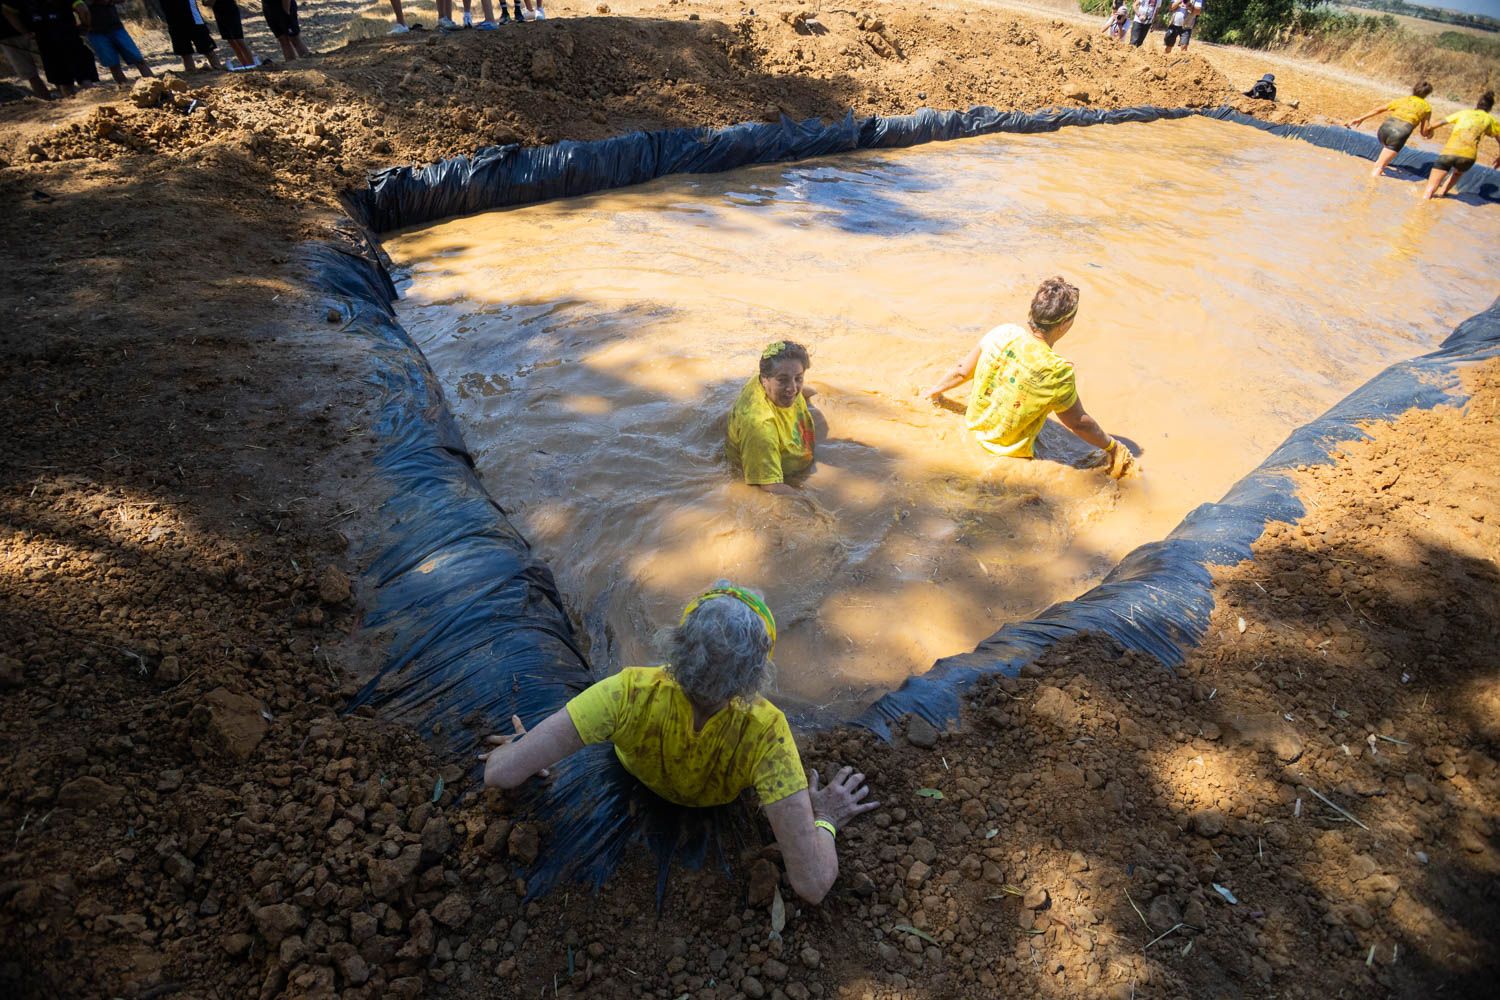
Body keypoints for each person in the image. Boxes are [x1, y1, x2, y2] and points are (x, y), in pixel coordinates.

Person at [480, 584, 879, 904]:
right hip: (715, 804)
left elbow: (500, 773)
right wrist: (823, 816)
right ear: (757, 674)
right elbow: (813, 884)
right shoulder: (768, 731)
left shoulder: (627, 691)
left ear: (678, 642)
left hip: (637, 778)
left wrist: (520, 746)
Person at [923, 276, 1134, 478]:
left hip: (971, 432)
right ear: (1064, 325)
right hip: (1007, 457)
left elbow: (962, 371)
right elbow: (1079, 424)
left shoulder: (1003, 332)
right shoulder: (1057, 371)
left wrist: (933, 392)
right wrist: (1112, 446)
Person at [725, 341, 816, 495]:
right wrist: (814, 505)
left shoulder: (766, 381)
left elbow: (798, 388)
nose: (793, 389)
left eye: (798, 378)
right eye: (783, 380)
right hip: (771, 465)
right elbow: (771, 487)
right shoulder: (761, 428)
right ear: (765, 379)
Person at [1345, 82, 1434, 179]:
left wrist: (1361, 118)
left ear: (1414, 89)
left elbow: (1378, 109)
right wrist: (1431, 131)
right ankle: (1370, 189)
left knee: (1381, 160)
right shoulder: (1426, 108)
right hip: (1399, 135)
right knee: (1380, 167)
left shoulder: (1403, 100)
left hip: (1383, 131)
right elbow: (1424, 132)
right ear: (1427, 94)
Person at [1422, 90, 1500, 201]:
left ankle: (1423, 206)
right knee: (1457, 173)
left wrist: (1428, 130)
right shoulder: (1491, 120)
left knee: (1429, 190)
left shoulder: (1464, 113)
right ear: (1490, 108)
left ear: (1477, 104)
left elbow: (1441, 122)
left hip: (1449, 152)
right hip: (1467, 157)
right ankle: (1442, 193)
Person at [78, 0, 151, 83]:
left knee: (139, 60)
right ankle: (125, 90)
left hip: (115, 26)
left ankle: (158, 88)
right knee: (114, 66)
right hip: (94, 31)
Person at [1, 0, 51, 97]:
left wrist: (25, 32)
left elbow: (7, 11)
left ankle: (49, 101)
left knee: (30, 74)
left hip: (14, 35)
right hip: (34, 28)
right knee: (50, 67)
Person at [160, 0, 221, 72]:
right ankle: (192, 73)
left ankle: (218, 69)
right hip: (175, 24)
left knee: (208, 50)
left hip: (195, 21)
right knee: (185, 53)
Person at [209, 0, 263, 69]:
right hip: (219, 13)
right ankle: (244, 65)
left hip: (230, 10)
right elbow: (206, 3)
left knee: (238, 39)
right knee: (231, 40)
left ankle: (251, 64)